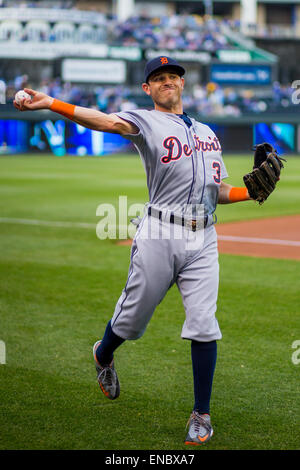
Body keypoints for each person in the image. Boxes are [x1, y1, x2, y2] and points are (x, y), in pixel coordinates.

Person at [14, 56, 251, 446]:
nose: (167, 81)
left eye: (173, 76)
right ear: (148, 88)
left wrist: (248, 192)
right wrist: (51, 103)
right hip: (159, 232)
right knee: (131, 322)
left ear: (182, 83)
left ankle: (202, 414)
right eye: (158, 78)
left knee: (204, 324)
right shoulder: (145, 120)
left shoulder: (208, 133)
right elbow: (105, 121)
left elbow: (218, 191)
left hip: (203, 237)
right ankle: (104, 354)